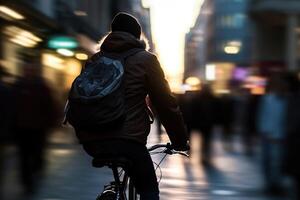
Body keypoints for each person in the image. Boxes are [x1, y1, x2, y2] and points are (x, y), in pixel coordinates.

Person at [77, 13, 189, 200]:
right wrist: (179, 140)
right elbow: (166, 104)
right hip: (128, 141)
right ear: (137, 36)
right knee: (149, 190)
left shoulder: (95, 60)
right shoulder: (146, 60)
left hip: (91, 140)